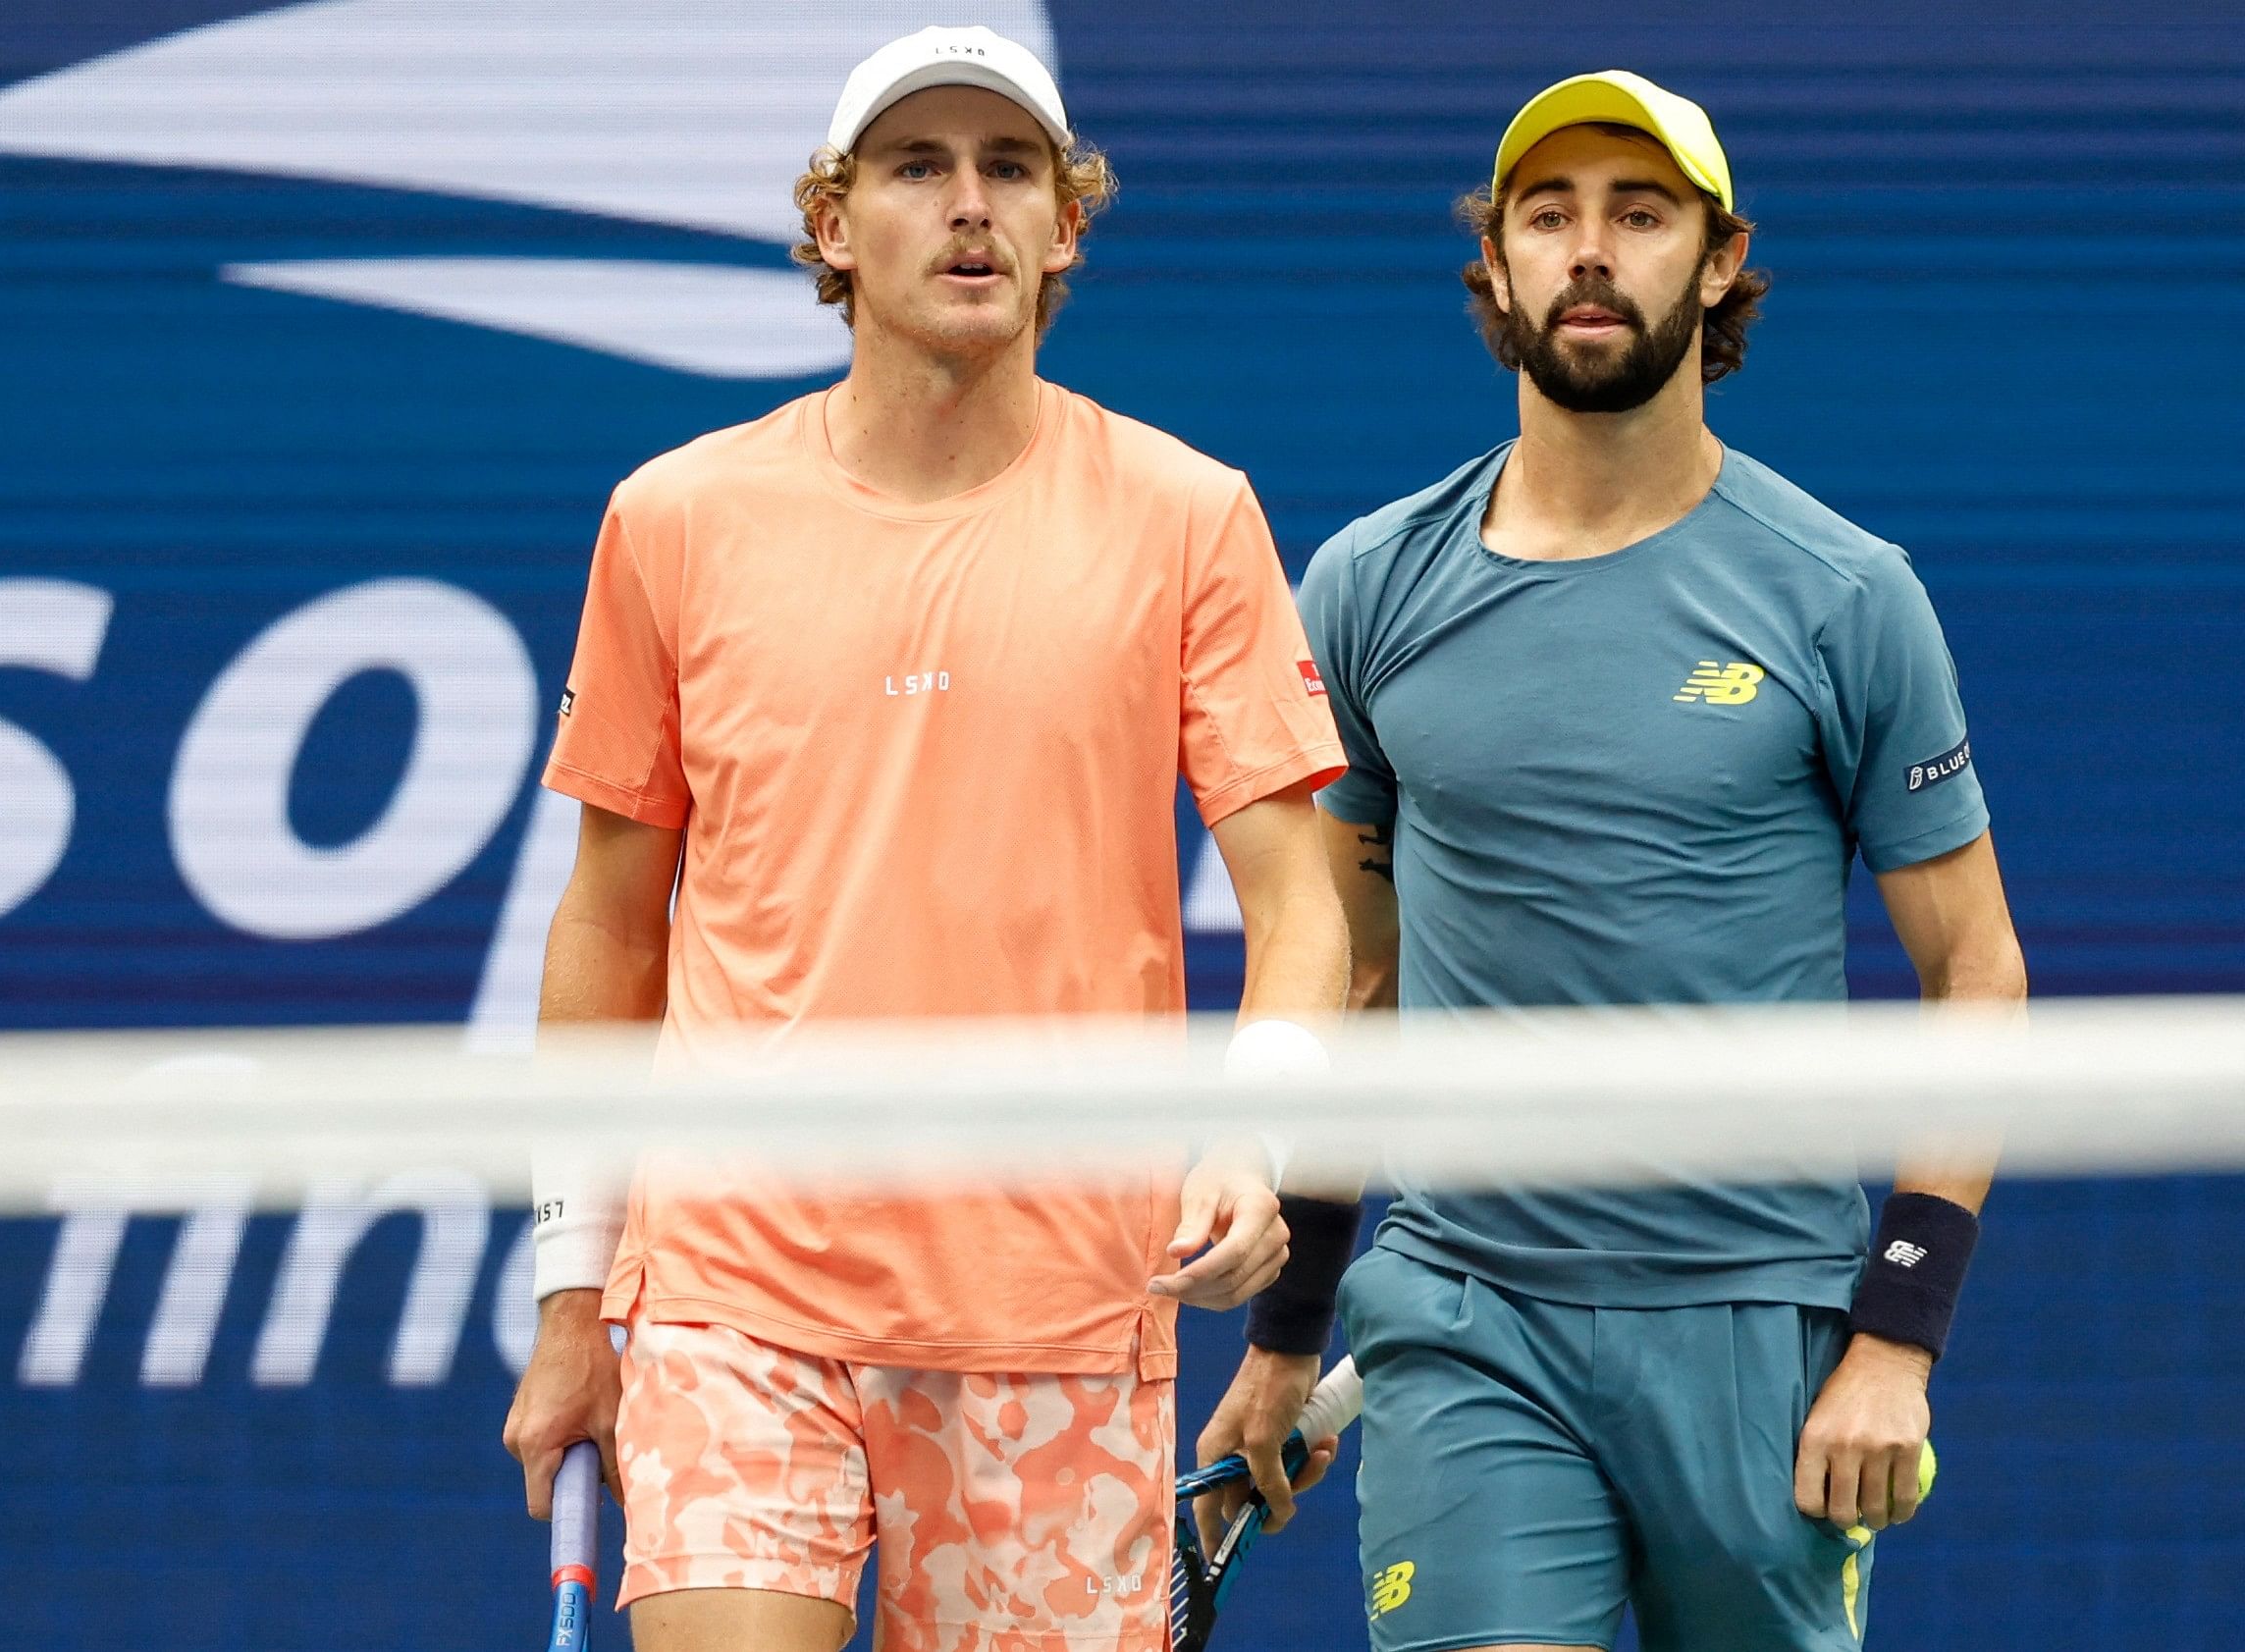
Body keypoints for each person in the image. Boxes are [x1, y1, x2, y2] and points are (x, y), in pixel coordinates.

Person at [498, 27, 1351, 1652]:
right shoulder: (674, 516)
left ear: (1064, 227)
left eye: (1009, 169)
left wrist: (1252, 1141)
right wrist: (568, 1296)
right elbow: (609, 928)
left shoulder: (1189, 514)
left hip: (1065, 1310)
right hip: (737, 1291)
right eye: (916, 168)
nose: (969, 207)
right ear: (833, 225)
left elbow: (1299, 905)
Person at [1197, 71, 2028, 1652]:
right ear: (1495, 267)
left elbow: (1974, 973)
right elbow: (1355, 978)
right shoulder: (1367, 588)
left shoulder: (1850, 597)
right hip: (1464, 1313)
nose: (1591, 252)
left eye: (1640, 216)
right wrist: (1294, 1328)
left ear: (1717, 265)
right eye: (1548, 215)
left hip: (1759, 1326)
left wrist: (1898, 1336)